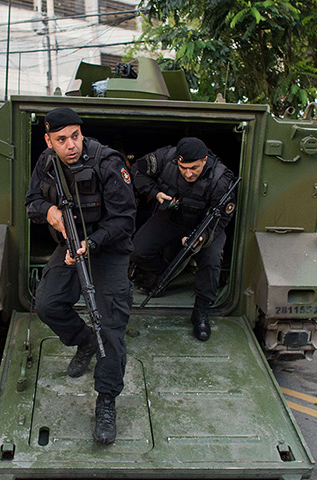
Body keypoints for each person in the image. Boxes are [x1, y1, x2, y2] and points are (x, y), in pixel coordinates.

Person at [25, 107, 135, 444]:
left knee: (110, 326)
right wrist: (50, 212)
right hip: (71, 247)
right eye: (61, 139)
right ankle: (83, 340)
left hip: (108, 249)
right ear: (48, 140)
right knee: (47, 304)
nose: (71, 144)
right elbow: (31, 203)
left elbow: (126, 219)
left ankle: (106, 399)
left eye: (75, 136)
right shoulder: (46, 163)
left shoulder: (108, 163)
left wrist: (91, 242)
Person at [130, 137, 235, 341]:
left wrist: (201, 236)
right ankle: (167, 276)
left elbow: (223, 218)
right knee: (137, 250)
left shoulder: (221, 179)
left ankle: (201, 312)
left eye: (194, 168)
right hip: (172, 217)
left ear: (204, 160)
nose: (188, 173)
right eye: (183, 167)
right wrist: (154, 192)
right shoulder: (165, 157)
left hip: (207, 224)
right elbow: (136, 170)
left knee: (212, 261)